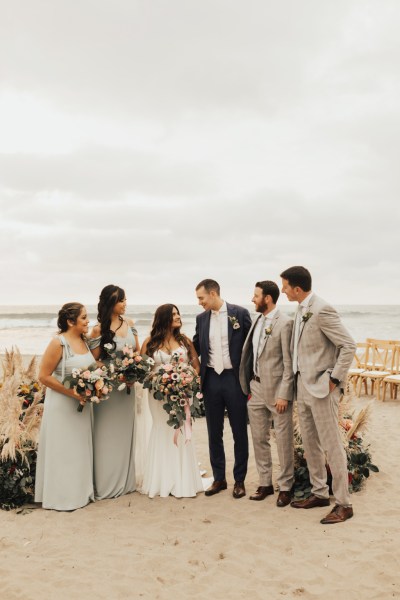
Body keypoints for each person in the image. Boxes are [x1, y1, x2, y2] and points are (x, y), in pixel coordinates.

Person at [280, 266, 356, 524]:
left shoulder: (322, 309)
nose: (283, 290)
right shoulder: (301, 309)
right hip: (303, 387)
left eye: (285, 286)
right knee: (310, 442)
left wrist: (334, 378)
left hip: (323, 388)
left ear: (297, 288)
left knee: (332, 445)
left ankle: (344, 504)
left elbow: (348, 345)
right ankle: (320, 493)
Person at [193, 279, 252, 499]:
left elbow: (251, 347)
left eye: (201, 298)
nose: (199, 302)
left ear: (213, 293)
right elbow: (196, 346)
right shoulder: (201, 319)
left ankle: (239, 480)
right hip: (211, 381)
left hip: (234, 380)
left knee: (239, 431)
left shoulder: (240, 313)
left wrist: (251, 378)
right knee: (213, 432)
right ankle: (219, 479)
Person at [35, 303, 95, 511]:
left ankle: (79, 492)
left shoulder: (83, 341)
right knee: (63, 450)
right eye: (84, 317)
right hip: (62, 405)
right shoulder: (58, 343)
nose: (88, 321)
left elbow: (91, 369)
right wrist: (73, 393)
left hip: (82, 405)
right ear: (71, 321)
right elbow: (43, 376)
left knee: (78, 449)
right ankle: (61, 497)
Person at [140, 304, 204, 498]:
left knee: (181, 428)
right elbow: (143, 369)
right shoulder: (150, 342)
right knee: (162, 428)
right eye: (173, 314)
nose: (178, 316)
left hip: (182, 392)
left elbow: (195, 364)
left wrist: (187, 379)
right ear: (164, 318)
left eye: (178, 313)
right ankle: (161, 478)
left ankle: (182, 478)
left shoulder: (184, 340)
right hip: (158, 395)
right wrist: (158, 382)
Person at [239, 280, 294, 506]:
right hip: (255, 388)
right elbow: (251, 355)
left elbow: (289, 364)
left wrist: (284, 394)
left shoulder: (285, 324)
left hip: (277, 391)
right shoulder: (257, 321)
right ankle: (265, 483)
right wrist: (249, 386)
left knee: (283, 440)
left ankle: (286, 486)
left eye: (256, 295)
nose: (253, 299)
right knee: (259, 438)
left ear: (267, 298)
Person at [89, 285, 139, 500]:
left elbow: (136, 353)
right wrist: (114, 371)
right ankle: (106, 483)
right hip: (108, 390)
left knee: (125, 433)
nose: (125, 303)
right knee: (106, 435)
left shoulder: (130, 324)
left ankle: (125, 483)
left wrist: (133, 372)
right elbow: (94, 361)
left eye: (125, 299)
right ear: (111, 303)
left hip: (126, 389)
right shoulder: (98, 330)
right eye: (121, 300)